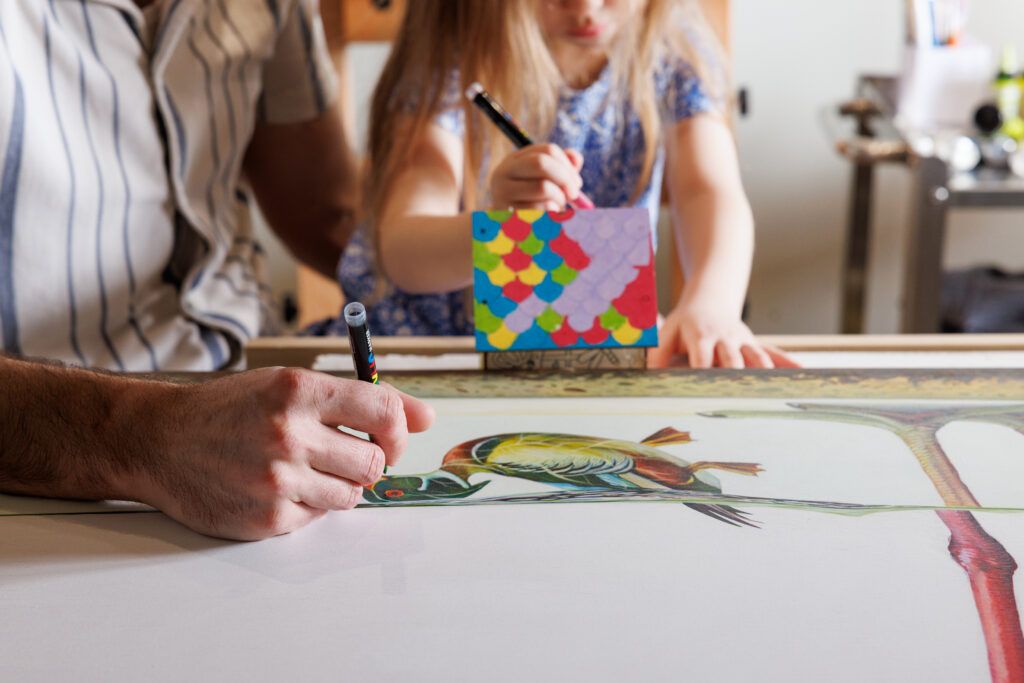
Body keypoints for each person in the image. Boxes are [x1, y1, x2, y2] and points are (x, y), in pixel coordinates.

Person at [0, 0, 433, 540]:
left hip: (259, 398)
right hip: (43, 477)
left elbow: (328, 217)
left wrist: (487, 267)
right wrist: (137, 437)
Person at [323, 0, 796, 369]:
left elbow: (708, 191)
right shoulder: (454, 57)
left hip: (574, 357)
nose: (586, 9)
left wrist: (712, 305)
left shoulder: (671, 43)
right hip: (424, 357)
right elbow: (403, 251)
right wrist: (503, 229)